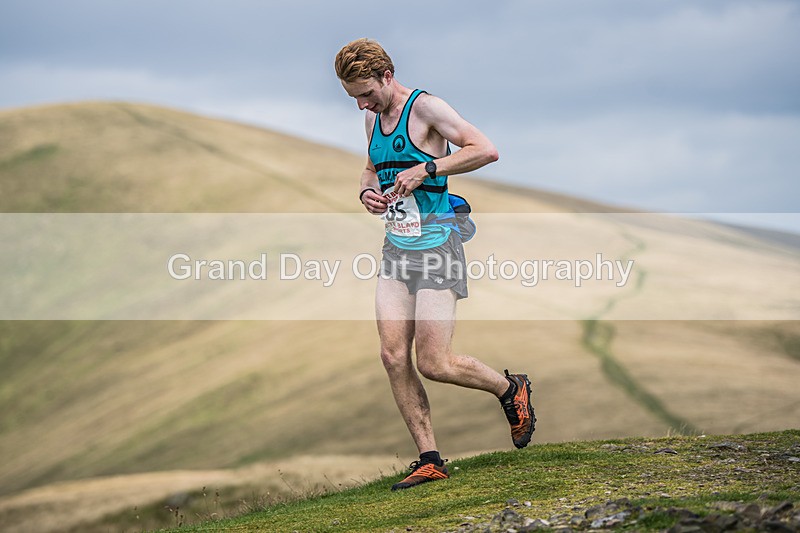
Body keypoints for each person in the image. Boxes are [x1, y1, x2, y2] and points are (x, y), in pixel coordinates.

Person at [334, 38, 535, 491]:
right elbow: (371, 168)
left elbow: (485, 149)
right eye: (353, 97)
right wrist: (367, 192)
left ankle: (510, 389)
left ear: (387, 76)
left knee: (434, 361)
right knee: (392, 356)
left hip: (439, 244)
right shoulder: (371, 117)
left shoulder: (426, 109)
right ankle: (430, 459)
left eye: (366, 93)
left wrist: (428, 169)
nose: (362, 104)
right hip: (396, 248)